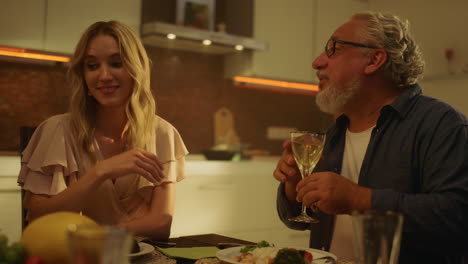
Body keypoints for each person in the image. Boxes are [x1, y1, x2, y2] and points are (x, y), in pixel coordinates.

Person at [274, 11, 468, 264]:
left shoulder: (441, 124)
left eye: (334, 49)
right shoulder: (333, 134)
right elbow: (298, 222)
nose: (317, 62)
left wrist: (359, 199)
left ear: (374, 60)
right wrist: (295, 186)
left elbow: (457, 216)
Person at [17, 21, 188, 240]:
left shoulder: (162, 133)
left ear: (137, 68)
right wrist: (101, 171)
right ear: (83, 74)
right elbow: (37, 217)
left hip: (145, 256)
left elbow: (162, 223)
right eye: (92, 66)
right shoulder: (57, 130)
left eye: (116, 63)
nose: (104, 76)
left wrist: (99, 235)